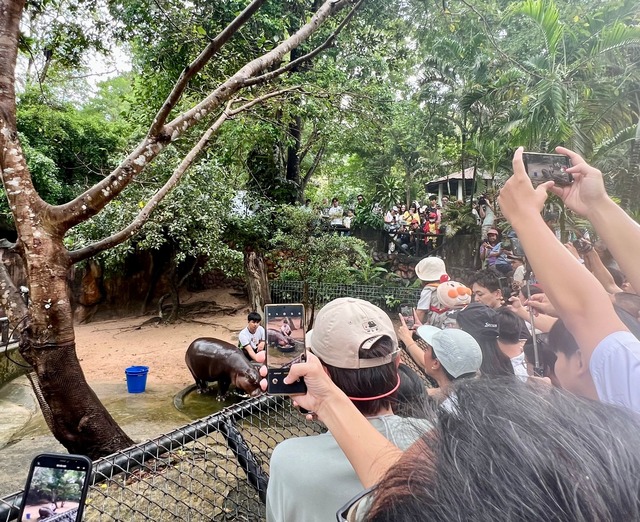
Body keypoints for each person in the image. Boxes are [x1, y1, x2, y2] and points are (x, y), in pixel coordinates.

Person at [497, 146, 640, 412]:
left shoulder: (630, 379)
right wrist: (597, 204)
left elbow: (585, 312)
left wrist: (525, 217)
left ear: (580, 361)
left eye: (559, 355)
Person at [265, 298, 431, 522]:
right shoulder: (436, 442)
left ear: (321, 373)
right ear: (397, 363)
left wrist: (325, 404)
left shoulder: (288, 459)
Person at [397, 321, 482, 405]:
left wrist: (398, 364)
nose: (424, 352)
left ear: (436, 363)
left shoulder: (445, 411)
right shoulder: (475, 391)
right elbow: (441, 391)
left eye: (426, 349)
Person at [414, 256, 449, 326]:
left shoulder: (429, 290)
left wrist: (414, 328)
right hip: (449, 320)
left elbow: (421, 311)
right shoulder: (448, 286)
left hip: (436, 323)